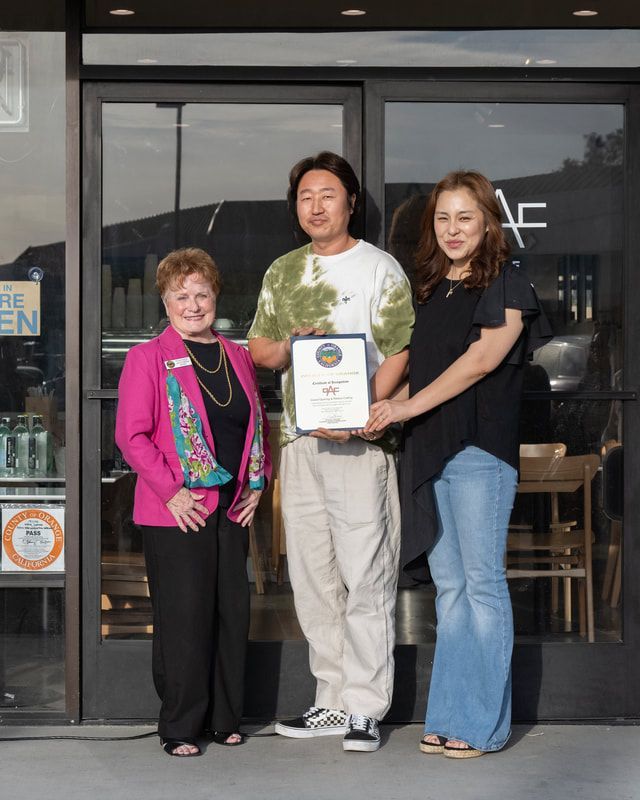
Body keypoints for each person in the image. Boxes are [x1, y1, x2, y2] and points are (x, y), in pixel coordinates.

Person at [365, 171, 552, 758]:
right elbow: (421, 369)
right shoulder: (430, 289)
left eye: (465, 217)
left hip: (477, 450)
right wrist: (375, 405)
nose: (452, 229)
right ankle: (448, 717)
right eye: (442, 218)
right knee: (450, 590)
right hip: (430, 448)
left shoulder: (508, 281)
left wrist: (405, 407)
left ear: (488, 222)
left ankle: (482, 725)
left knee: (482, 585)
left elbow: (481, 360)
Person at [248, 151, 414, 752]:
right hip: (301, 441)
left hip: (360, 443)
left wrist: (362, 409)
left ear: (350, 202)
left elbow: (400, 351)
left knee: (366, 573)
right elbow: (260, 349)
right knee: (312, 577)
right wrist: (289, 344)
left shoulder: (380, 269)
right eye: (305, 197)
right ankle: (332, 700)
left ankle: (366, 708)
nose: (316, 206)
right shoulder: (283, 272)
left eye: (328, 195)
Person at [116, 247, 271, 758]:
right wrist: (172, 491)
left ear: (215, 298)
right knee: (185, 619)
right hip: (176, 510)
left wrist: (257, 482)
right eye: (180, 296)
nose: (193, 305)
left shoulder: (237, 355)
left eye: (201, 294)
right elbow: (132, 436)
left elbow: (256, 425)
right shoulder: (147, 357)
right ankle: (180, 725)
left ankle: (225, 718)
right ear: (165, 302)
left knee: (230, 613)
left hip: (230, 505)